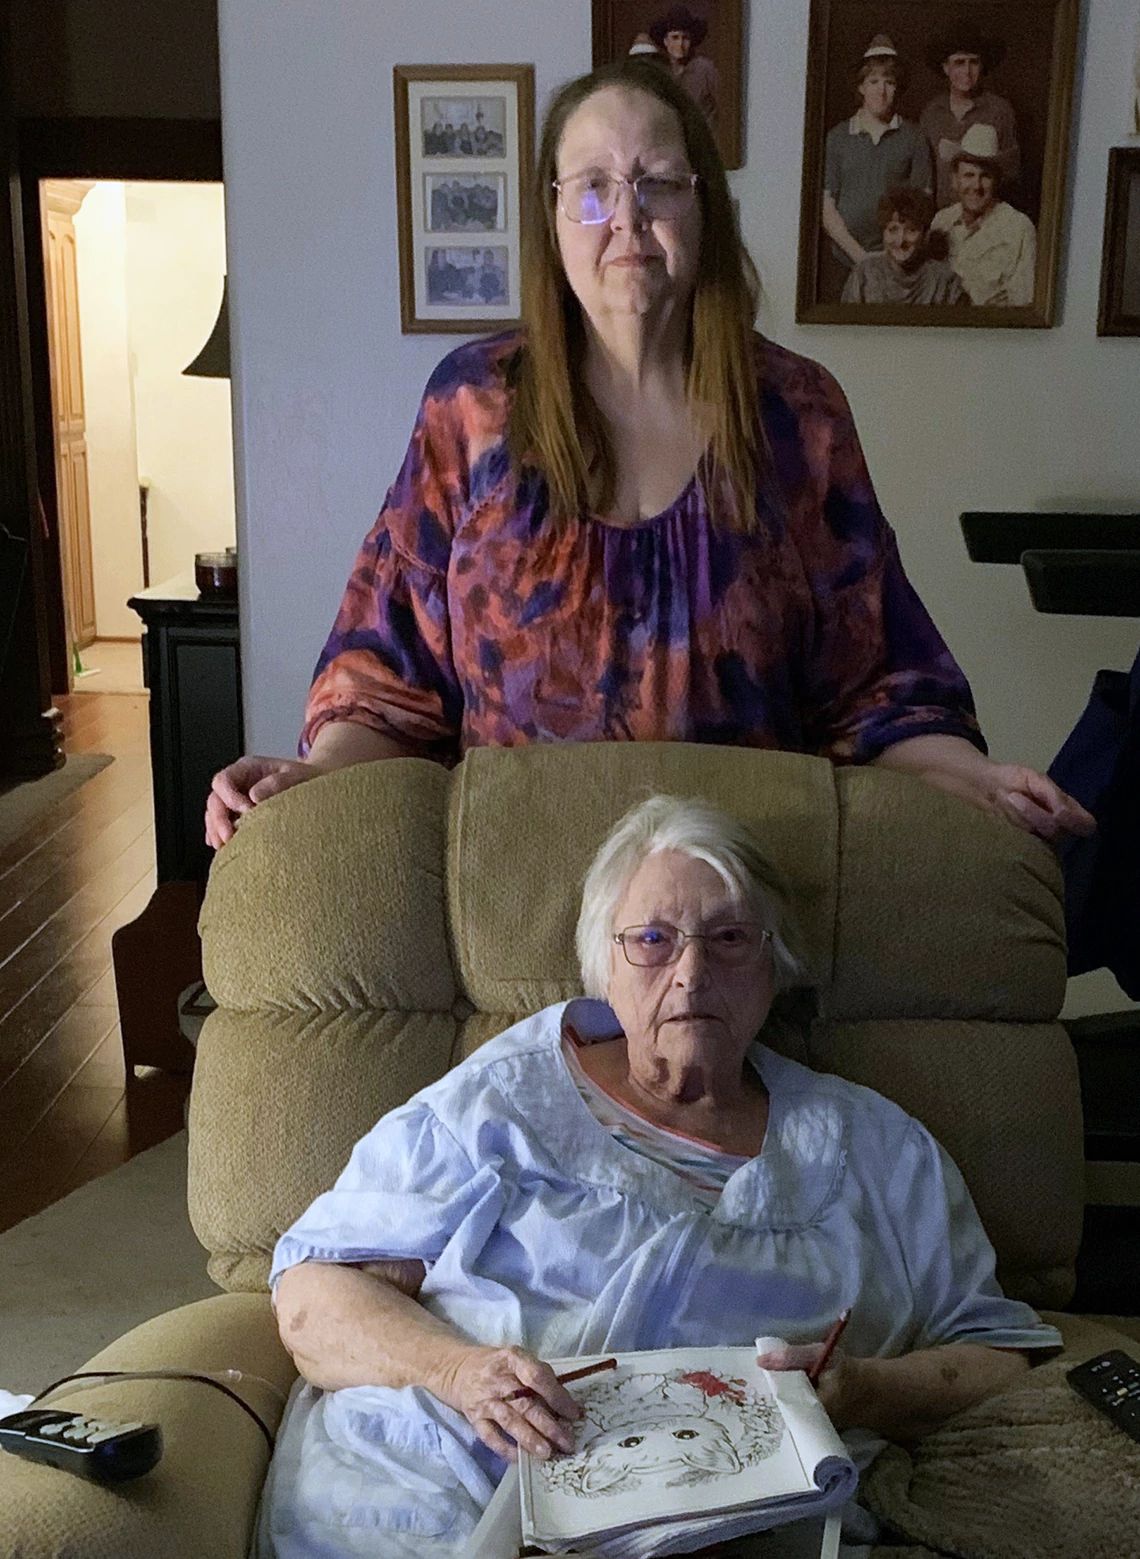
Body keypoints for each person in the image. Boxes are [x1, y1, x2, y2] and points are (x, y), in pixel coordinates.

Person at [207, 57, 1092, 852]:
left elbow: (878, 679)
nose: (626, 216)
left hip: (738, 902)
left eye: (659, 183)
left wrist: (971, 776)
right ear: (552, 217)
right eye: (592, 186)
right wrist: (314, 777)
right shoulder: (472, 404)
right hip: (514, 897)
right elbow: (390, 678)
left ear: (705, 206)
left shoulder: (799, 412)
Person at [255, 794, 1063, 1557]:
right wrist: (457, 1370)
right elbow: (314, 1296)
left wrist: (861, 1390)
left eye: (729, 939)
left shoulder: (878, 1146)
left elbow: (994, 1354)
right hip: (457, 1485)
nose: (690, 973)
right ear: (603, 962)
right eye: (653, 939)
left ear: (773, 963)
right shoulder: (495, 1104)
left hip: (731, 1523)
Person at [821, 35, 932, 281]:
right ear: (861, 87)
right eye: (873, 81)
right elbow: (826, 207)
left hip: (897, 260)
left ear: (897, 87)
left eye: (889, 82)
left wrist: (893, 256)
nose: (881, 91)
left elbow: (921, 204)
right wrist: (860, 257)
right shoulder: (837, 137)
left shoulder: (914, 138)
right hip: (844, 259)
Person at [930, 125, 1036, 306]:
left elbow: (1024, 301)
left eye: (985, 176)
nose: (976, 186)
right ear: (955, 180)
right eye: (969, 175)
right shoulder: (941, 221)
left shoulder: (1019, 228)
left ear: (997, 180)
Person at [919, 20, 1019, 211]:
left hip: (985, 219)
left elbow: (1012, 172)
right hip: (940, 219)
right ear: (946, 67)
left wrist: (968, 156)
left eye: (973, 62)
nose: (967, 71)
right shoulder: (931, 113)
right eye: (959, 63)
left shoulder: (999, 110)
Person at [842, 185, 966, 305]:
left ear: (925, 235)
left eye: (911, 230)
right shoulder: (864, 275)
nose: (900, 241)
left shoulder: (945, 282)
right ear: (883, 233)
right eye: (893, 230)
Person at [649, 4, 719, 129]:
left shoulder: (705, 69)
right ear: (666, 41)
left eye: (685, 38)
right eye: (675, 38)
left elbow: (723, 107)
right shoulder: (659, 71)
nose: (680, 44)